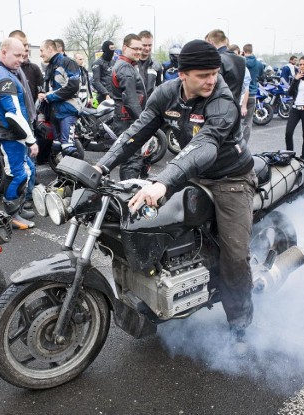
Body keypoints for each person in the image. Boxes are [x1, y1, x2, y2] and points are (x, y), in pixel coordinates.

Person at [94, 40, 256, 353]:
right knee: (147, 224)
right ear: (182, 74)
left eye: (214, 73)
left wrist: (164, 181)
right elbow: (135, 134)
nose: (212, 80)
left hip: (231, 178)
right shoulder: (166, 94)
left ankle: (240, 324)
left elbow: (205, 145)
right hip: (188, 170)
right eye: (203, 75)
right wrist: (101, 167)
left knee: (235, 256)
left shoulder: (223, 100)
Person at [0, 38, 38, 230]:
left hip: (11, 134)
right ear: (3, 53)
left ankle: (17, 209)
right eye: (17, 55)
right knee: (18, 175)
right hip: (10, 135)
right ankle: (11, 215)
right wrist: (31, 140)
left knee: (24, 170)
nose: (21, 59)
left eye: (23, 55)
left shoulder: (5, 72)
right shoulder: (3, 77)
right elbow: (13, 114)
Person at [111, 33, 147, 180]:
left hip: (126, 118)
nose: (139, 52)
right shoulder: (125, 67)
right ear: (125, 48)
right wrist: (144, 121)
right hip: (127, 119)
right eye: (135, 48)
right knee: (132, 159)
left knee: (131, 157)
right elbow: (131, 100)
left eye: (141, 48)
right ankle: (128, 196)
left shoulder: (127, 65)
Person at [38, 39, 82, 158]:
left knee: (68, 148)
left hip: (67, 111)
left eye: (42, 50)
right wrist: (43, 94)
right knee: (56, 147)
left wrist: (49, 96)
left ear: (50, 49)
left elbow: (72, 86)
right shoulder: (49, 67)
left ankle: (76, 175)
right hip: (54, 113)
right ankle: (62, 174)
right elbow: (49, 89)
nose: (40, 54)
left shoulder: (67, 62)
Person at [242, 43, 264, 143]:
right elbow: (260, 76)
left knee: (236, 121)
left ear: (244, 51)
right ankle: (244, 144)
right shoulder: (259, 64)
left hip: (241, 94)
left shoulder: (241, 62)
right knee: (248, 122)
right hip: (252, 94)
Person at [137, 30, 162, 100]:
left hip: (151, 106)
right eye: (144, 45)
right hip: (133, 107)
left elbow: (159, 87)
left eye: (150, 45)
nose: (147, 48)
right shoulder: (130, 64)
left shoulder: (157, 66)